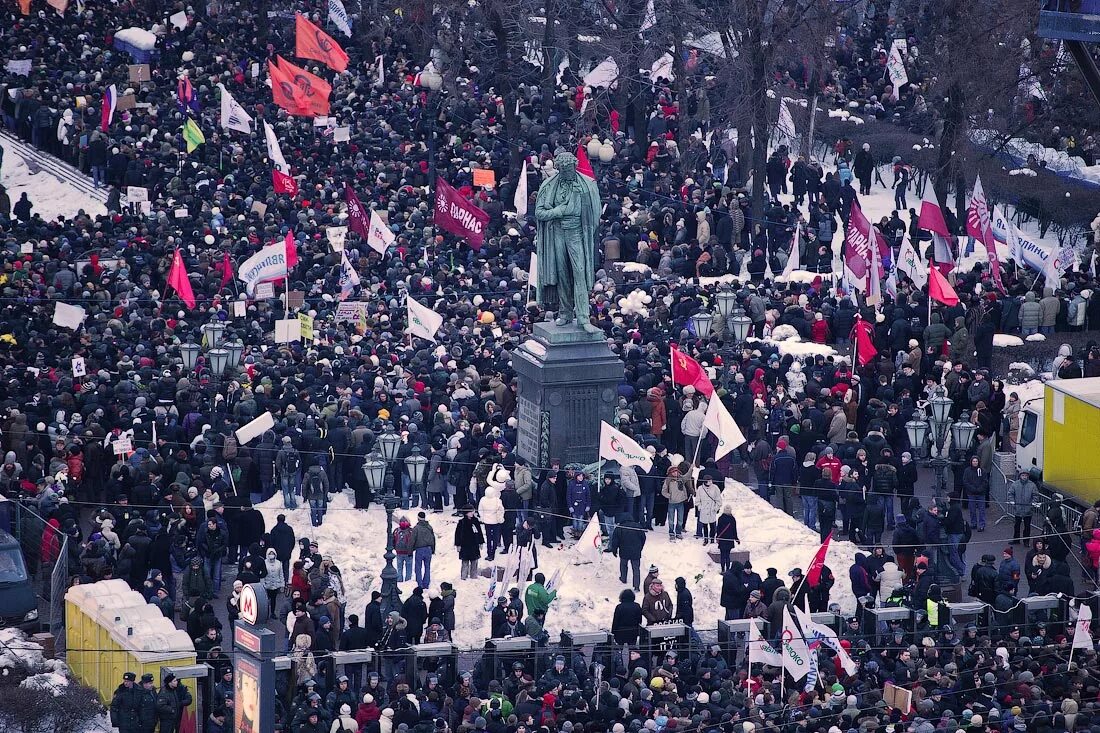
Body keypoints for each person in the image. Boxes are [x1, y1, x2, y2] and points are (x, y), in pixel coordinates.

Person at [608, 513, 646, 591]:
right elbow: (643, 538)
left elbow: (615, 541)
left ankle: (623, 578)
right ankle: (636, 586)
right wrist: (640, 548)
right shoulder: (638, 526)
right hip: (636, 552)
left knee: (623, 565)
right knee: (636, 569)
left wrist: (614, 551)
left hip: (624, 551)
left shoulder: (619, 528)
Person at [454, 505, 485, 580]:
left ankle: (473, 576)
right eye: (470, 511)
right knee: (465, 562)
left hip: (474, 544)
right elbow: (457, 534)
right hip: (465, 545)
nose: (472, 513)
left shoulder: (476, 521)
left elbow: (479, 532)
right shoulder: (462, 522)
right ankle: (463, 576)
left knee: (474, 561)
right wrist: (458, 544)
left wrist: (481, 542)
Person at [1005, 470, 1036, 544]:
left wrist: (1033, 503)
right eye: (1023, 475)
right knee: (1016, 526)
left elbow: (1035, 495)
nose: (1024, 477)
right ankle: (1016, 540)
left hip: (1028, 510)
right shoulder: (1015, 484)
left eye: (1025, 475)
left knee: (1027, 527)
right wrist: (1012, 501)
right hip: (1018, 509)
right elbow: (1010, 494)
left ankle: (1026, 541)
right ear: (1020, 476)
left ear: (1028, 476)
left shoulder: (1032, 485)